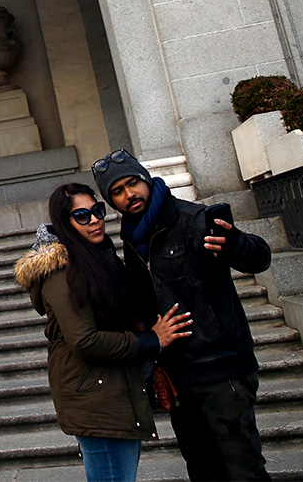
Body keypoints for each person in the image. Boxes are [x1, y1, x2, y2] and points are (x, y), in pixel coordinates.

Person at [92, 149, 273, 481]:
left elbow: (259, 258)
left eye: (133, 184)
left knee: (244, 470)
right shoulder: (131, 239)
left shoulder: (192, 219)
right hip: (178, 377)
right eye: (117, 192)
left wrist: (236, 244)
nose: (129, 195)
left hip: (221, 369)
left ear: (146, 180)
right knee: (203, 469)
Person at [16, 183, 192, 482]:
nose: (95, 219)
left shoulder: (97, 258)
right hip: (95, 397)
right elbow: (84, 340)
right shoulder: (64, 269)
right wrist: (152, 340)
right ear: (65, 223)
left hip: (112, 390)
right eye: (82, 216)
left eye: (97, 211)